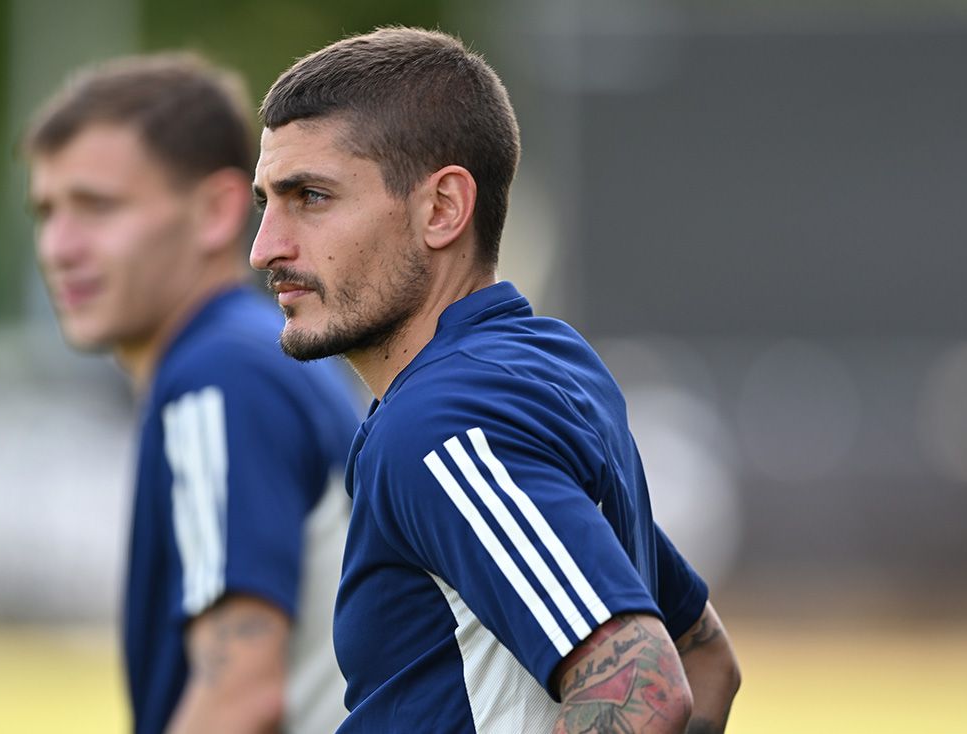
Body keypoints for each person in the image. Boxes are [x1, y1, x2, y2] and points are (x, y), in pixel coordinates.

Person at [250, 27, 740, 733]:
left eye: (312, 197)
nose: (267, 246)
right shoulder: (542, 364)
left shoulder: (442, 421)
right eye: (269, 201)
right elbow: (704, 658)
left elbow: (646, 688)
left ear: (443, 209)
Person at [24, 53, 359, 734]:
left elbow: (240, 693)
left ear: (215, 212)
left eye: (96, 206)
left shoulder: (217, 376)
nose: (58, 246)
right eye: (47, 211)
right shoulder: (259, 350)